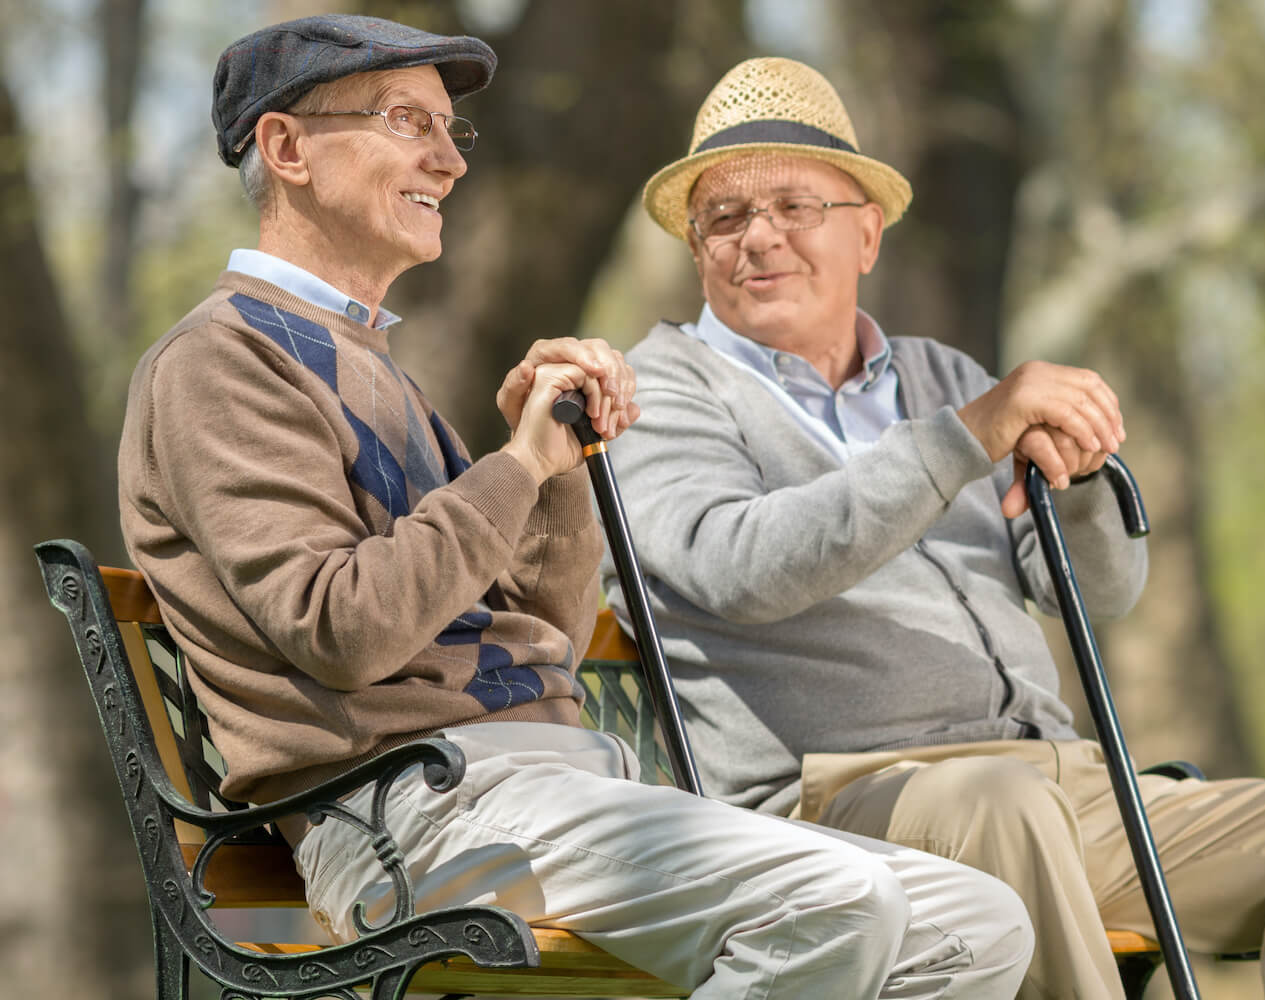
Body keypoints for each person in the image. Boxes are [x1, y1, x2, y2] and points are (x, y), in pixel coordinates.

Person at [117, 17, 1035, 999]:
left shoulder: (371, 362)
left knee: (977, 923)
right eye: (405, 121)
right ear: (286, 147)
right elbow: (344, 629)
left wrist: (555, 476)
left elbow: (541, 637)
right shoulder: (223, 362)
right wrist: (514, 465)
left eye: (450, 130)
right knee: (839, 901)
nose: (447, 159)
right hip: (412, 819)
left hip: (541, 791)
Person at [603, 56, 1265, 1000]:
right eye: (724, 216)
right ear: (696, 248)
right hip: (838, 807)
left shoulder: (938, 374)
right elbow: (740, 566)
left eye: (794, 207)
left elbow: (1096, 597)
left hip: (1062, 782)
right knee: (1002, 806)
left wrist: (1080, 482)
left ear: (868, 236)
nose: (757, 238)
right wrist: (963, 440)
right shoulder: (661, 392)